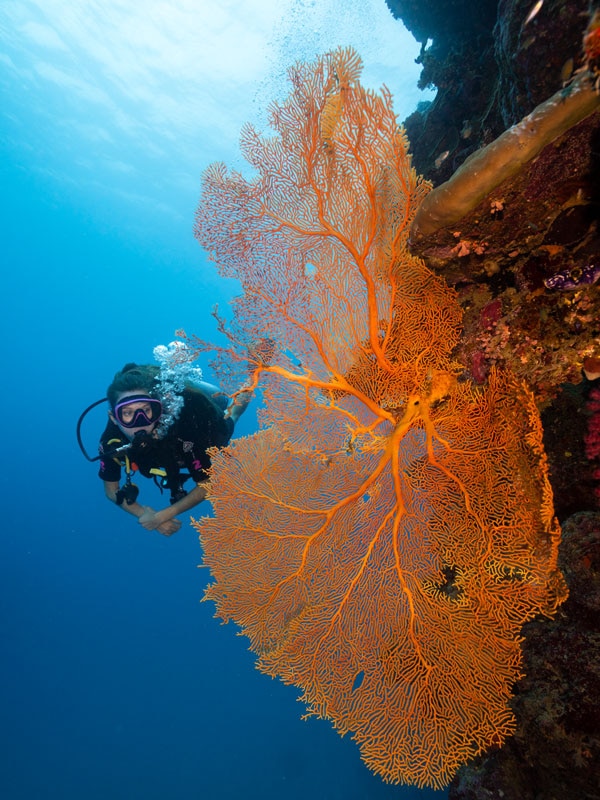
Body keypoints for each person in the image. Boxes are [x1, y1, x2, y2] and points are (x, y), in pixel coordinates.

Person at [98, 362, 251, 536]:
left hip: (201, 416)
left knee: (231, 415)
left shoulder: (183, 429)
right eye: (127, 413)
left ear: (157, 408)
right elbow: (111, 490)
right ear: (114, 418)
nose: (139, 422)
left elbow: (207, 483)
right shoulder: (112, 442)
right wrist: (143, 513)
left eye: (146, 410)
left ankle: (253, 373)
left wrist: (163, 516)